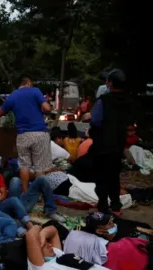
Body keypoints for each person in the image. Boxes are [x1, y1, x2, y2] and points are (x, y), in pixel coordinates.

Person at [0, 75, 52, 192]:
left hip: (23, 135)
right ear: (29, 83)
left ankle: (25, 192)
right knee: (40, 167)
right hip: (40, 133)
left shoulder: (12, 96)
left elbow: (0, 112)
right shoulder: (35, 91)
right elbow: (47, 108)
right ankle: (38, 195)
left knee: (24, 165)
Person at [89, 69, 132, 215]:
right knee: (114, 175)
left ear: (111, 83)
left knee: (101, 176)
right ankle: (116, 206)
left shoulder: (104, 100)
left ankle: (103, 205)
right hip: (118, 145)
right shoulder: (127, 101)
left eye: (108, 81)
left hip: (102, 145)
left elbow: (96, 120)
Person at [25, 225, 108, 270]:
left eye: (48, 242)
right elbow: (30, 235)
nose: (50, 245)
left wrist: (42, 235)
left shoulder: (58, 254)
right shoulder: (42, 267)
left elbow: (53, 230)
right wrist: (36, 228)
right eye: (45, 245)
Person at [84, 211, 152, 242]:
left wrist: (138, 228)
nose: (111, 222)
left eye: (109, 219)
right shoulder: (113, 244)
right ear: (99, 231)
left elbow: (148, 228)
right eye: (106, 223)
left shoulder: (121, 223)